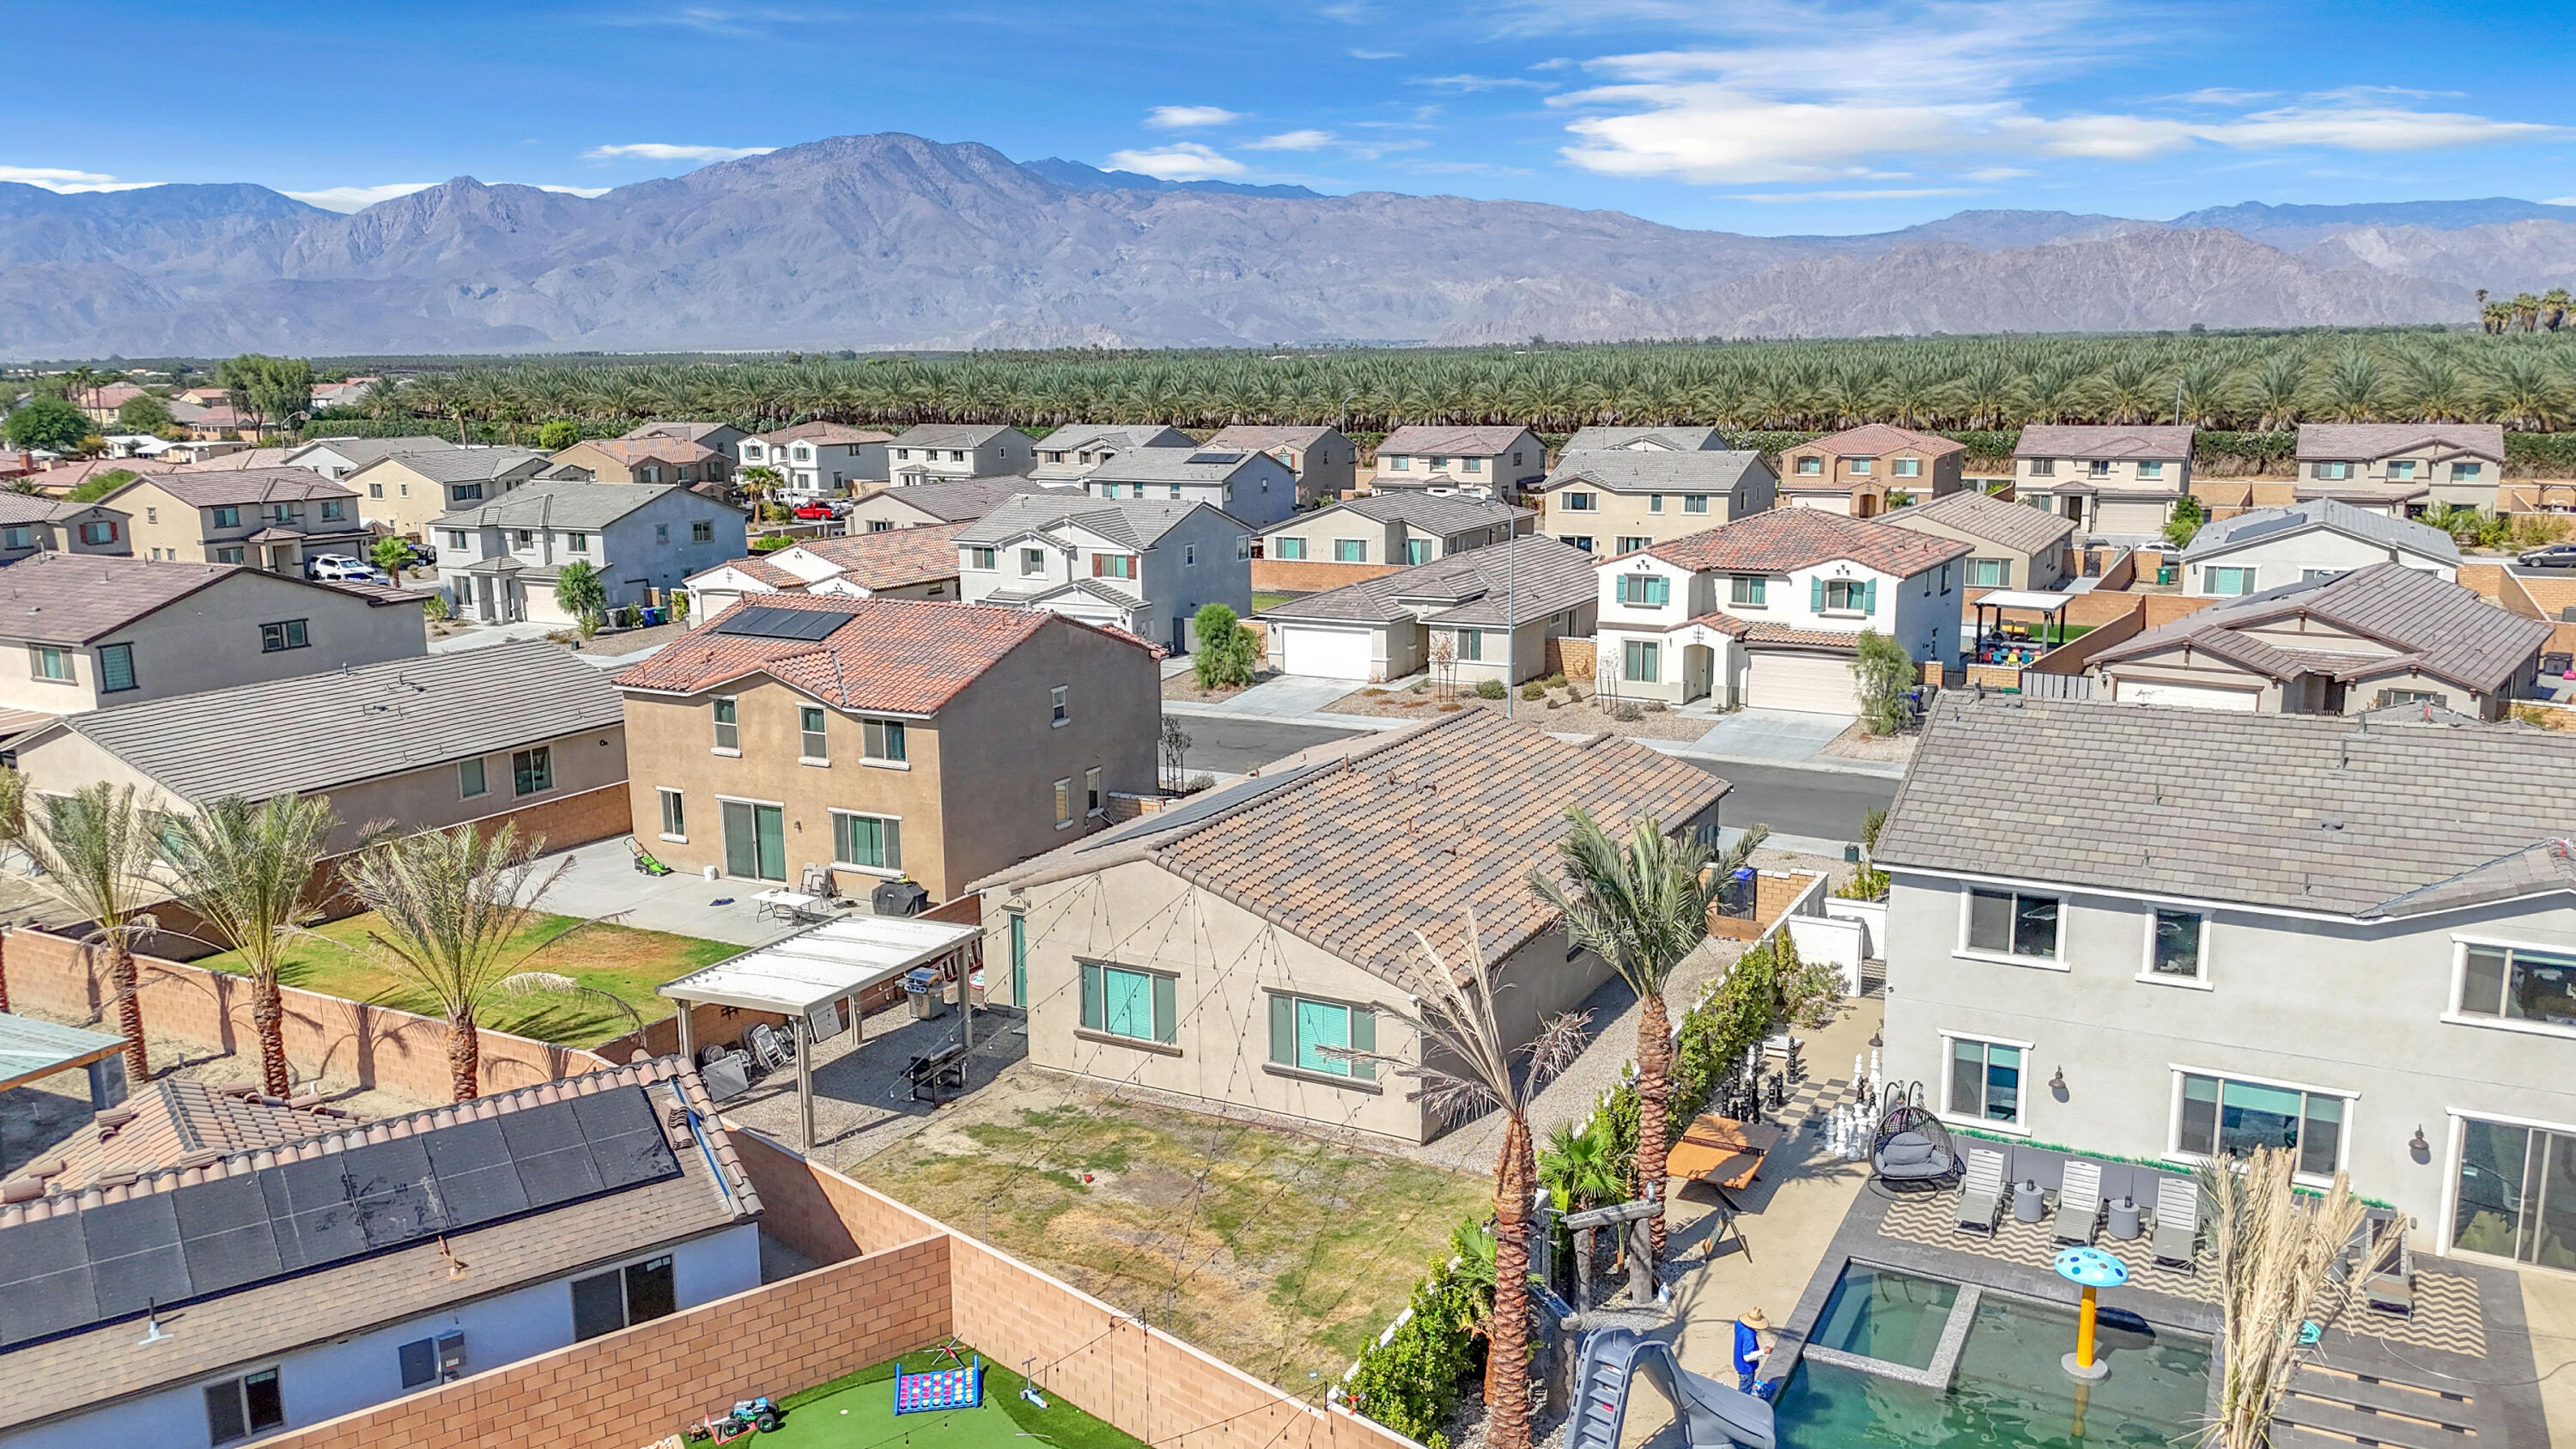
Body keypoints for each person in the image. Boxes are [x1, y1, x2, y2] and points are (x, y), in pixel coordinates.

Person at [1731, 1307, 1770, 1394]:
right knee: (1745, 1391)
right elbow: (1747, 1357)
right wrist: (1763, 1352)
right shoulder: (1749, 1336)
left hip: (1738, 1360)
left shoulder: (1738, 1325)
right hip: (1746, 1368)